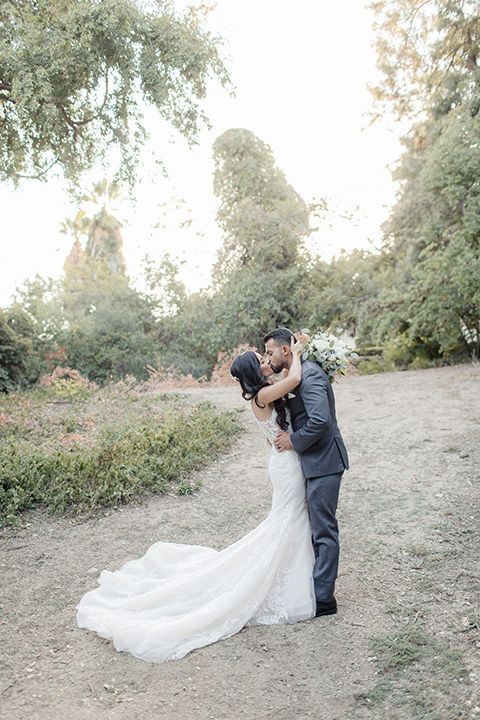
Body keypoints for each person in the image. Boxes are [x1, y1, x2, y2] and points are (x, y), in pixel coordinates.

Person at [76, 338, 315, 664]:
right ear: (251, 372)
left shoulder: (266, 392)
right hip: (285, 466)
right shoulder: (260, 396)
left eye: (264, 357)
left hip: (285, 461)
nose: (265, 362)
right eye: (260, 360)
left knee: (288, 521)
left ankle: (297, 572)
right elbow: (296, 380)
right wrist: (298, 355)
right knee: (285, 522)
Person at [263, 327, 349, 618]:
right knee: (314, 529)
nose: (268, 357)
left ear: (285, 350)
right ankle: (315, 589)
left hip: (325, 463)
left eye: (270, 352)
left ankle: (324, 600)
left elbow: (320, 421)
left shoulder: (309, 375)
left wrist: (292, 440)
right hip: (312, 463)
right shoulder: (294, 375)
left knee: (324, 531)